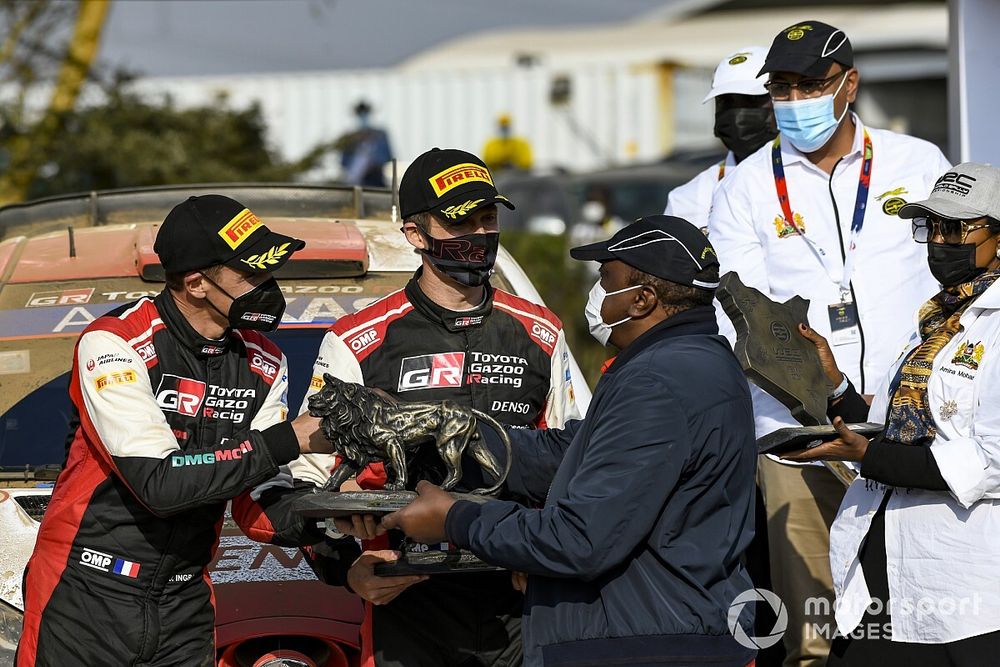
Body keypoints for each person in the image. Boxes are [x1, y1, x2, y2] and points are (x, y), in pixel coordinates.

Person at [382, 215, 758, 667]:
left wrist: (456, 520)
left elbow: (580, 540)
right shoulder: (693, 362)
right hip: (665, 629)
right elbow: (570, 454)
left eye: (606, 279)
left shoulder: (657, 382)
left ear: (642, 300)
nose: (596, 294)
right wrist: (457, 432)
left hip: (642, 643)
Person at [273, 147, 581, 667]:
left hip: (519, 595)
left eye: (488, 219)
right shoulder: (358, 339)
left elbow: (580, 455)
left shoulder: (539, 329)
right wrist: (347, 569)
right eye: (461, 222)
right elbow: (312, 475)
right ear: (415, 234)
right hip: (409, 596)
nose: (479, 235)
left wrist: (554, 555)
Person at [707, 20, 951, 666]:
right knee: (814, 636)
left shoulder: (917, 162)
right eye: (781, 89)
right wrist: (828, 397)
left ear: (849, 85)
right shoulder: (746, 187)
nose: (793, 101)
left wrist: (897, 396)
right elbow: (741, 316)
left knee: (918, 617)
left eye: (808, 85)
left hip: (908, 431)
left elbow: (951, 288)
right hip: (798, 436)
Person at [16, 195, 331, 666]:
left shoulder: (265, 360)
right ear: (197, 282)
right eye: (252, 274)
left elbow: (259, 498)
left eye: (270, 272)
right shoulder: (116, 341)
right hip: (85, 594)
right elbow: (160, 484)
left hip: (185, 599)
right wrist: (294, 437)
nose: (269, 287)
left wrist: (333, 522)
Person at [784, 162, 1000, 665]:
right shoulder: (936, 318)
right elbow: (895, 428)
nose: (939, 242)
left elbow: (991, 459)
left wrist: (870, 456)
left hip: (967, 590)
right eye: (931, 227)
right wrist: (836, 386)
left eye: (956, 227)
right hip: (884, 561)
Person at [664, 45, 777, 231]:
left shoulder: (816, 177)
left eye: (749, 100)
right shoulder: (687, 200)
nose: (737, 113)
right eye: (726, 102)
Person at [335, 100, 394, 187]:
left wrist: (373, 164)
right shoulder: (349, 138)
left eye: (365, 113)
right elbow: (344, 162)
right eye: (360, 114)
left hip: (376, 181)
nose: (363, 117)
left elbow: (388, 156)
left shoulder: (380, 135)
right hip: (355, 183)